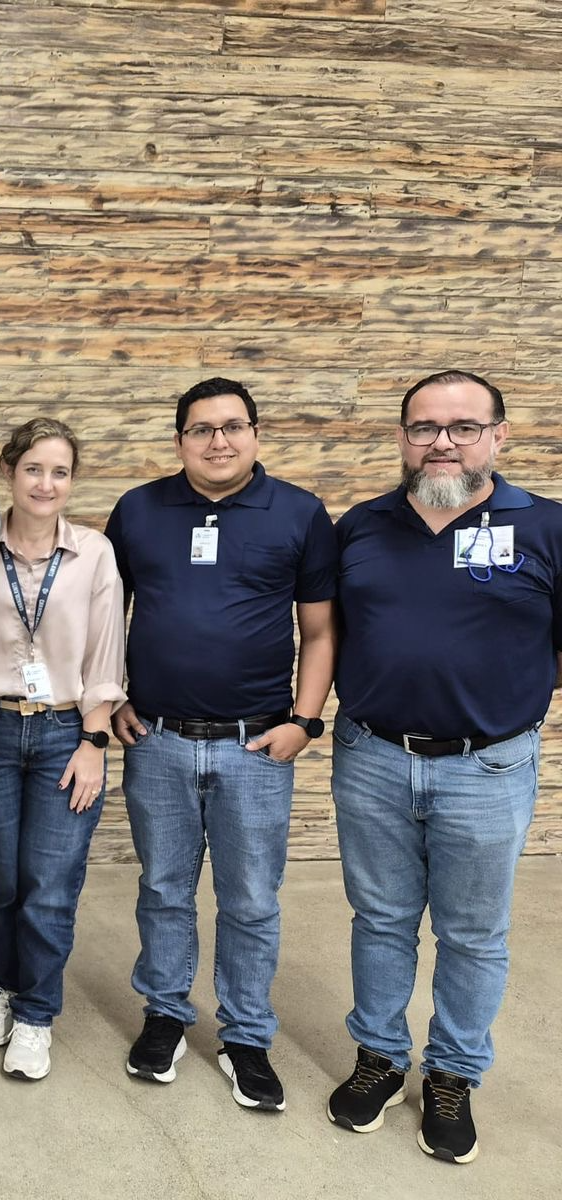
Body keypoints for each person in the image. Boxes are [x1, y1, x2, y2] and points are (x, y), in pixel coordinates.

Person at [325, 370, 559, 1164]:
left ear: (499, 435)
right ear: (402, 437)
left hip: (486, 769)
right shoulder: (361, 527)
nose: (442, 442)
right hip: (372, 759)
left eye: (463, 427)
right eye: (424, 427)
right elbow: (334, 633)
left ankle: (453, 1074)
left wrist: (500, 701)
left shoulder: (546, 527)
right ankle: (380, 1057)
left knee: (473, 934)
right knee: (380, 919)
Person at [105, 377, 336, 1113]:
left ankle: (246, 1035)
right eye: (201, 429)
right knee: (164, 888)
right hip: (158, 740)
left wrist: (306, 721)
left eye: (233, 426)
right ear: (180, 441)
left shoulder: (298, 513)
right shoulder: (138, 510)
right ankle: (165, 1014)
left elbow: (320, 631)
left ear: (255, 434)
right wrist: (110, 697)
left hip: (255, 746)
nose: (218, 441)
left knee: (251, 899)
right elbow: (106, 614)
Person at [0, 417, 125, 1082]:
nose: (46, 484)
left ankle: (36, 1015)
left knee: (48, 887)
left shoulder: (94, 553)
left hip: (64, 734)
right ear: (9, 472)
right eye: (33, 469)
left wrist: (94, 741)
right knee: (1, 881)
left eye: (59, 472)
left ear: (72, 480)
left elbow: (106, 653)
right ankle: (6, 985)